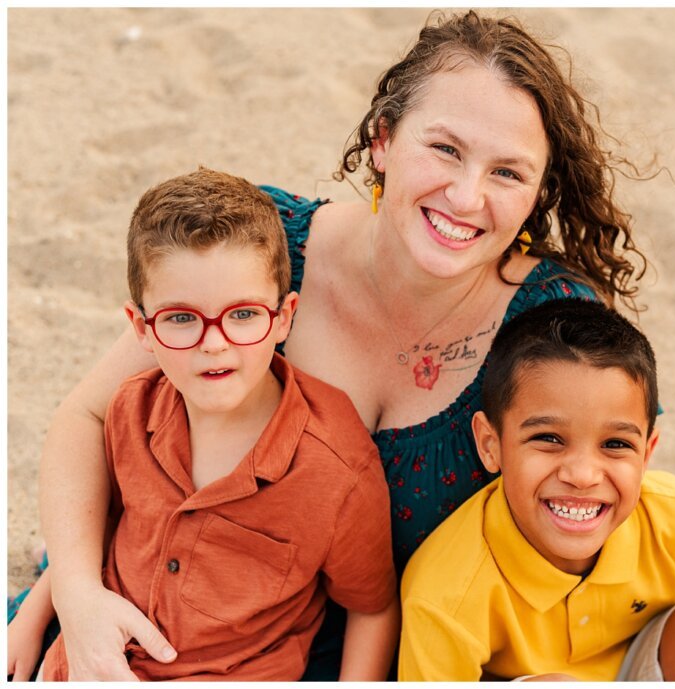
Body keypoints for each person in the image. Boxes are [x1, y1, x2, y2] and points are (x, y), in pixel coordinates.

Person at [33, 10, 649, 680]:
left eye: (508, 173)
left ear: (536, 193)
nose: (467, 195)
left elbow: (607, 507)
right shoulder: (268, 253)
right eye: (444, 149)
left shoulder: (555, 324)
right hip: (159, 614)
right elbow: (89, 416)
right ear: (383, 140)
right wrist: (71, 591)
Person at [8, 168, 398, 681]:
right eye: (181, 318)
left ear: (284, 317)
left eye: (242, 315)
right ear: (141, 328)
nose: (214, 342)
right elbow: (107, 522)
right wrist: (31, 621)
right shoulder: (131, 410)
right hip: (83, 659)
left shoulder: (335, 467)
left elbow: (371, 607)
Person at [399, 299, 675, 681]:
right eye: (548, 438)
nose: (582, 475)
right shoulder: (445, 592)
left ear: (646, 453)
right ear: (490, 444)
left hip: (645, 662)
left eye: (615, 444)